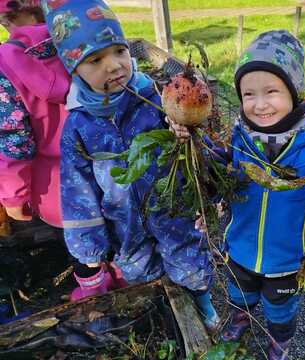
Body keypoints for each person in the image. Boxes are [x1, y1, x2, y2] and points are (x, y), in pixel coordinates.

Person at [172, 30, 305, 359]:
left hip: (287, 258)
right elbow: (209, 173)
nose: (260, 104)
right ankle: (241, 317)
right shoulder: (237, 140)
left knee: (280, 308)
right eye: (249, 93)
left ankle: (280, 340)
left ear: (294, 93)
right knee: (240, 292)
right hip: (240, 249)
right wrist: (189, 141)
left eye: (271, 91)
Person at [42, 0, 219, 330]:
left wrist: (182, 132)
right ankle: (167, 314)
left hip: (170, 207)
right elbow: (77, 191)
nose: (114, 66)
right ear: (73, 68)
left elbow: (187, 143)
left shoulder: (152, 97)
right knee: (142, 273)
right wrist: (89, 246)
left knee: (189, 261)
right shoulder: (78, 127)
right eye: (95, 60)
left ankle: (203, 302)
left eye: (120, 52)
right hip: (123, 226)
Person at [0, 0, 70, 227]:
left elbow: (13, 139)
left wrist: (14, 195)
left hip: (54, 189)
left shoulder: (6, 63)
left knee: (86, 247)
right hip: (110, 175)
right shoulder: (81, 39)